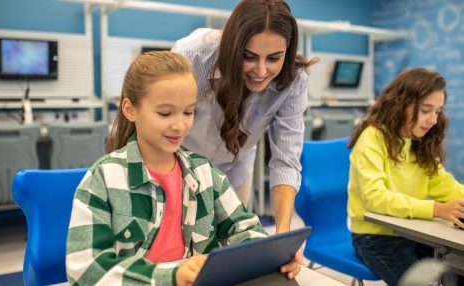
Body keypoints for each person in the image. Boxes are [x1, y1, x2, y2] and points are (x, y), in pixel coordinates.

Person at [66, 51, 302, 286]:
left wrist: (272, 257)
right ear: (130, 110)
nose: (180, 125)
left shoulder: (204, 172)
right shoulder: (105, 178)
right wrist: (171, 277)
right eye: (165, 113)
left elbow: (243, 228)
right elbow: (85, 269)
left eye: (189, 112)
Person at [172, 0, 317, 233]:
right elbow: (159, 121)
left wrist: (283, 232)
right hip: (179, 161)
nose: (260, 71)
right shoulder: (191, 57)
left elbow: (286, 160)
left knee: (230, 238)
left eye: (273, 58)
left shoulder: (294, 81)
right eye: (249, 57)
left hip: (235, 165)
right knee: (181, 241)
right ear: (233, 46)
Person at [347, 67, 464, 286]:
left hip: (414, 232)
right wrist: (437, 209)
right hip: (375, 237)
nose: (433, 119)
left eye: (437, 111)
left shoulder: (421, 140)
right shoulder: (372, 138)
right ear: (401, 104)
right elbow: (376, 198)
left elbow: (444, 185)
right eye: (426, 109)